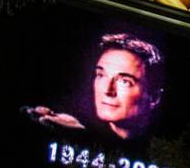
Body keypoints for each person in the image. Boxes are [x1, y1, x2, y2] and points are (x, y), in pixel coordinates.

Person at [22, 33, 164, 144]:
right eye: (101, 75)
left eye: (125, 81)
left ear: (154, 97)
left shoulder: (169, 150)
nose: (108, 91)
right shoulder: (78, 128)